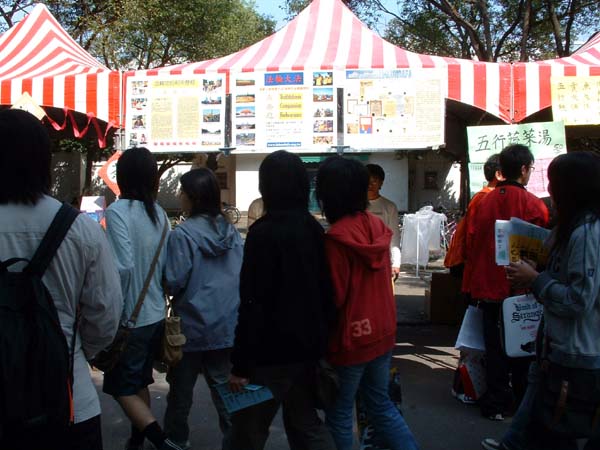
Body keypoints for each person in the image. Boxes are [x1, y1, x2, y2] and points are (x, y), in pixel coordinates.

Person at [0, 109, 123, 450]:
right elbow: (106, 316)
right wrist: (73, 348)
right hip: (68, 401)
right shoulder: (79, 228)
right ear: (45, 162)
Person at [481, 151, 600, 450]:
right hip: (554, 345)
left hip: (574, 353)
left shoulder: (586, 232)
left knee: (558, 430)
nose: (549, 190)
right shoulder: (569, 226)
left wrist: (535, 279)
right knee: (537, 406)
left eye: (554, 183)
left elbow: (578, 300)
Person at [227, 150, 336, 450]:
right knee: (306, 427)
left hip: (267, 354)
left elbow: (252, 303)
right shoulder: (314, 229)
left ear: (266, 187)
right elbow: (325, 292)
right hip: (307, 350)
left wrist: (240, 364)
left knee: (246, 432)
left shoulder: (262, 234)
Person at [316, 156, 419, 450]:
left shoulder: (336, 240)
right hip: (382, 330)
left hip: (352, 338)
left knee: (339, 413)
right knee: (380, 405)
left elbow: (334, 299)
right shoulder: (376, 226)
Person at [102, 147, 181, 450]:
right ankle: (137, 441)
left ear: (122, 177)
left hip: (129, 319)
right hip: (154, 315)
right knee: (139, 382)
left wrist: (111, 312)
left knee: (121, 387)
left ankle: (161, 442)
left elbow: (122, 267)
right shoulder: (158, 213)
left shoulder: (117, 212)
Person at [163, 168, 243, 450]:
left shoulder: (182, 235)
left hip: (191, 327)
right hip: (227, 323)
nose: (179, 196)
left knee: (180, 394)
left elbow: (173, 280)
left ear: (193, 197)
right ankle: (236, 442)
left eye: (182, 192)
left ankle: (176, 441)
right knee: (226, 393)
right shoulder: (231, 232)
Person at [469, 144, 549, 421]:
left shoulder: (483, 201)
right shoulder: (534, 204)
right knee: (524, 347)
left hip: (487, 286)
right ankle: (521, 401)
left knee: (494, 348)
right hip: (521, 288)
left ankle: (495, 401)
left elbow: (472, 241)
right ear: (524, 169)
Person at [365, 164, 401, 275]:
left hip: (381, 261)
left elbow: (394, 237)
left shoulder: (389, 207)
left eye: (374, 181)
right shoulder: (353, 205)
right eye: (366, 181)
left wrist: (396, 263)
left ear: (381, 183)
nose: (370, 185)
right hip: (359, 260)